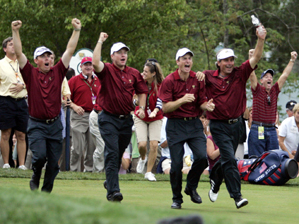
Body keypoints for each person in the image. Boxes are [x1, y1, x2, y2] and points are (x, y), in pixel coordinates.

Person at [200, 25, 267, 209]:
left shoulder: (240, 73)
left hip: (237, 125)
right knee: (230, 159)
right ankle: (237, 196)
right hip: (218, 126)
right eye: (226, 60)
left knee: (227, 159)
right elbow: (195, 88)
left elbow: (256, 57)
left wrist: (260, 39)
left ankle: (215, 178)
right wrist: (205, 103)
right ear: (218, 63)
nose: (230, 63)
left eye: (231, 60)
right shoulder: (207, 76)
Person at [12, 18, 81, 192]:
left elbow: (70, 50)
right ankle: (35, 174)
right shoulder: (29, 73)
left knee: (54, 164)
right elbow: (19, 54)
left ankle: (46, 192)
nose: (47, 58)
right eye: (43, 56)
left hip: (55, 124)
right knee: (40, 157)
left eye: (48, 55)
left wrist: (76, 31)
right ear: (36, 60)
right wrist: (16, 31)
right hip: (36, 124)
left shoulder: (58, 71)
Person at [92, 32, 147, 202]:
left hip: (126, 120)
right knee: (112, 152)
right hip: (108, 118)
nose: (123, 55)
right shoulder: (107, 69)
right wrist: (100, 40)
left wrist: (142, 108)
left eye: (125, 52)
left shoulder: (134, 73)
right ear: (112, 56)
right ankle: (113, 191)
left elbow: (142, 91)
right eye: (120, 52)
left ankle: (110, 181)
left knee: (118, 153)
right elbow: (95, 62)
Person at [158, 47, 214, 209]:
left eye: (189, 58)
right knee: (176, 165)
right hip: (175, 124)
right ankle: (177, 198)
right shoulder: (169, 80)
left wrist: (207, 106)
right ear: (178, 62)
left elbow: (201, 102)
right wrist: (182, 100)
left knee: (202, 157)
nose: (187, 61)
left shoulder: (197, 78)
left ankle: (191, 186)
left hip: (194, 123)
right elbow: (165, 108)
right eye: (184, 58)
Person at [248, 50, 298, 157]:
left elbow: (284, 76)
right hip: (259, 128)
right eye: (266, 77)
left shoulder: (275, 90)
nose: (269, 78)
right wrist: (251, 58)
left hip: (271, 129)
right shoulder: (257, 89)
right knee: (256, 159)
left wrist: (292, 60)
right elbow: (252, 75)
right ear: (261, 80)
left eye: (271, 77)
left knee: (273, 159)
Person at [0, 37, 28, 170]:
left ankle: (21, 165)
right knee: (6, 133)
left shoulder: (23, 63)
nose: (13, 46)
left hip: (22, 101)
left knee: (21, 134)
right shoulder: (1, 64)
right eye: (10, 45)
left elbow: (32, 81)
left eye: (14, 44)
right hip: (6, 100)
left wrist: (22, 86)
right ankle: (6, 163)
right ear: (5, 49)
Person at [68, 57, 100, 172]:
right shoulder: (74, 80)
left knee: (91, 148)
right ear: (80, 67)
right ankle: (74, 170)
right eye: (85, 65)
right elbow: (65, 98)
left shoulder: (98, 80)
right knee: (77, 148)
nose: (88, 67)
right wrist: (74, 106)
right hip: (79, 116)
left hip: (94, 116)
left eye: (90, 65)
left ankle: (89, 171)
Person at [134, 59, 164, 181]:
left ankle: (149, 172)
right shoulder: (139, 82)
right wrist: (136, 102)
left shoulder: (161, 85)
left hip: (155, 117)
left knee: (154, 145)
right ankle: (142, 158)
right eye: (143, 71)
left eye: (146, 72)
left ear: (153, 74)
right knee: (142, 145)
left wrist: (156, 111)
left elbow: (160, 100)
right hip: (140, 116)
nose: (143, 73)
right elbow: (134, 98)